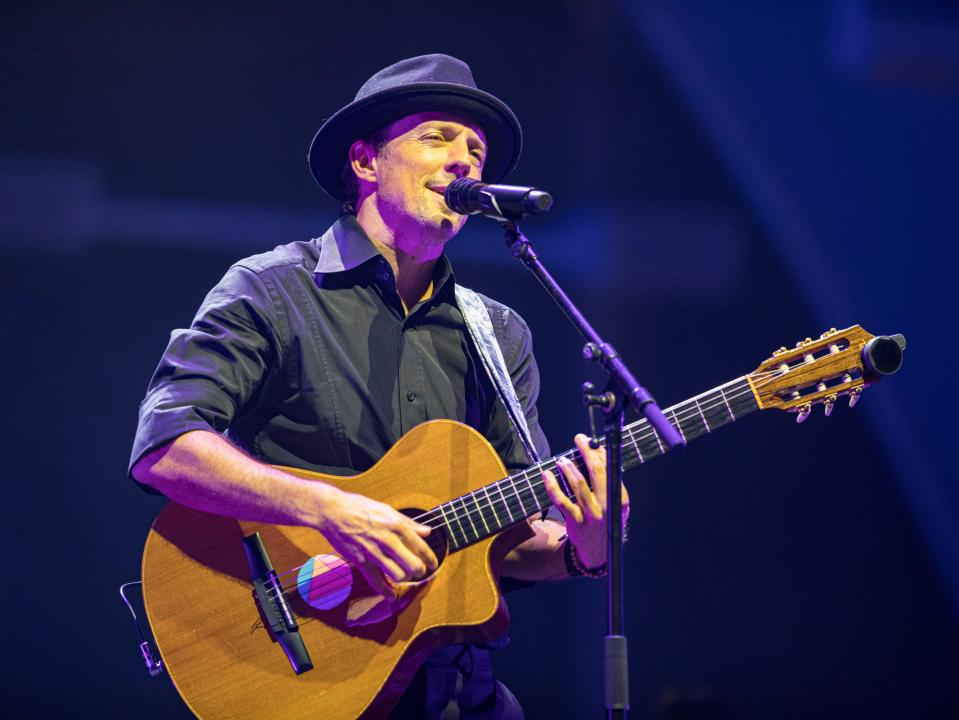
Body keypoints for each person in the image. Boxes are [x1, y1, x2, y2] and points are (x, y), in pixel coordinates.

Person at [130, 53, 628, 719]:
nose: (465, 162)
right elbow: (165, 443)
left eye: (476, 151)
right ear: (365, 162)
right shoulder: (272, 290)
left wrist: (582, 550)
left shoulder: (498, 332)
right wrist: (328, 509)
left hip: (456, 692)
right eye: (437, 137)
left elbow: (507, 543)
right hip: (308, 675)